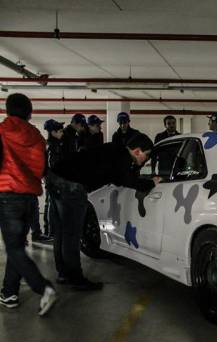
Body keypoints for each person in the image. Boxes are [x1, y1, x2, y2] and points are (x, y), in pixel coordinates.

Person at [47, 134, 160, 290]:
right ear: (137, 151)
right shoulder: (122, 159)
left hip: (55, 177)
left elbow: (118, 176)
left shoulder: (115, 149)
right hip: (72, 186)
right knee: (71, 234)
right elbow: (128, 181)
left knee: (61, 231)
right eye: (146, 155)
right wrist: (151, 182)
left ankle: (63, 273)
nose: (146, 160)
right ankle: (76, 279)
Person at [0, 93, 57, 315]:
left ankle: (43, 288)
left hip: (8, 196)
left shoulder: (3, 131)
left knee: (14, 248)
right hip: (30, 198)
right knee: (17, 246)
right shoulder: (37, 137)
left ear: (8, 110)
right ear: (29, 112)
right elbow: (42, 169)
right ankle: (9, 293)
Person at [43, 119, 66, 241]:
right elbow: (53, 165)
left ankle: (50, 231)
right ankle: (51, 232)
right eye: (60, 131)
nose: (62, 133)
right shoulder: (54, 146)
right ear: (53, 132)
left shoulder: (51, 144)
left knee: (50, 205)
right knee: (52, 206)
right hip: (54, 181)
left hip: (51, 180)